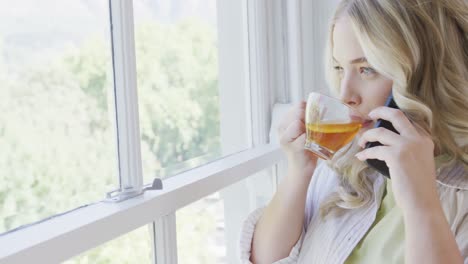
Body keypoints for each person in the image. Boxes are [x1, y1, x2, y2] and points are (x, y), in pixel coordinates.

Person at [240, 0, 468, 263]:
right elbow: (265, 259)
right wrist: (299, 172)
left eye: (367, 69)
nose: (345, 94)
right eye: (339, 68)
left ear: (426, 77)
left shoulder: (459, 201)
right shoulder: (341, 165)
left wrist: (421, 203)